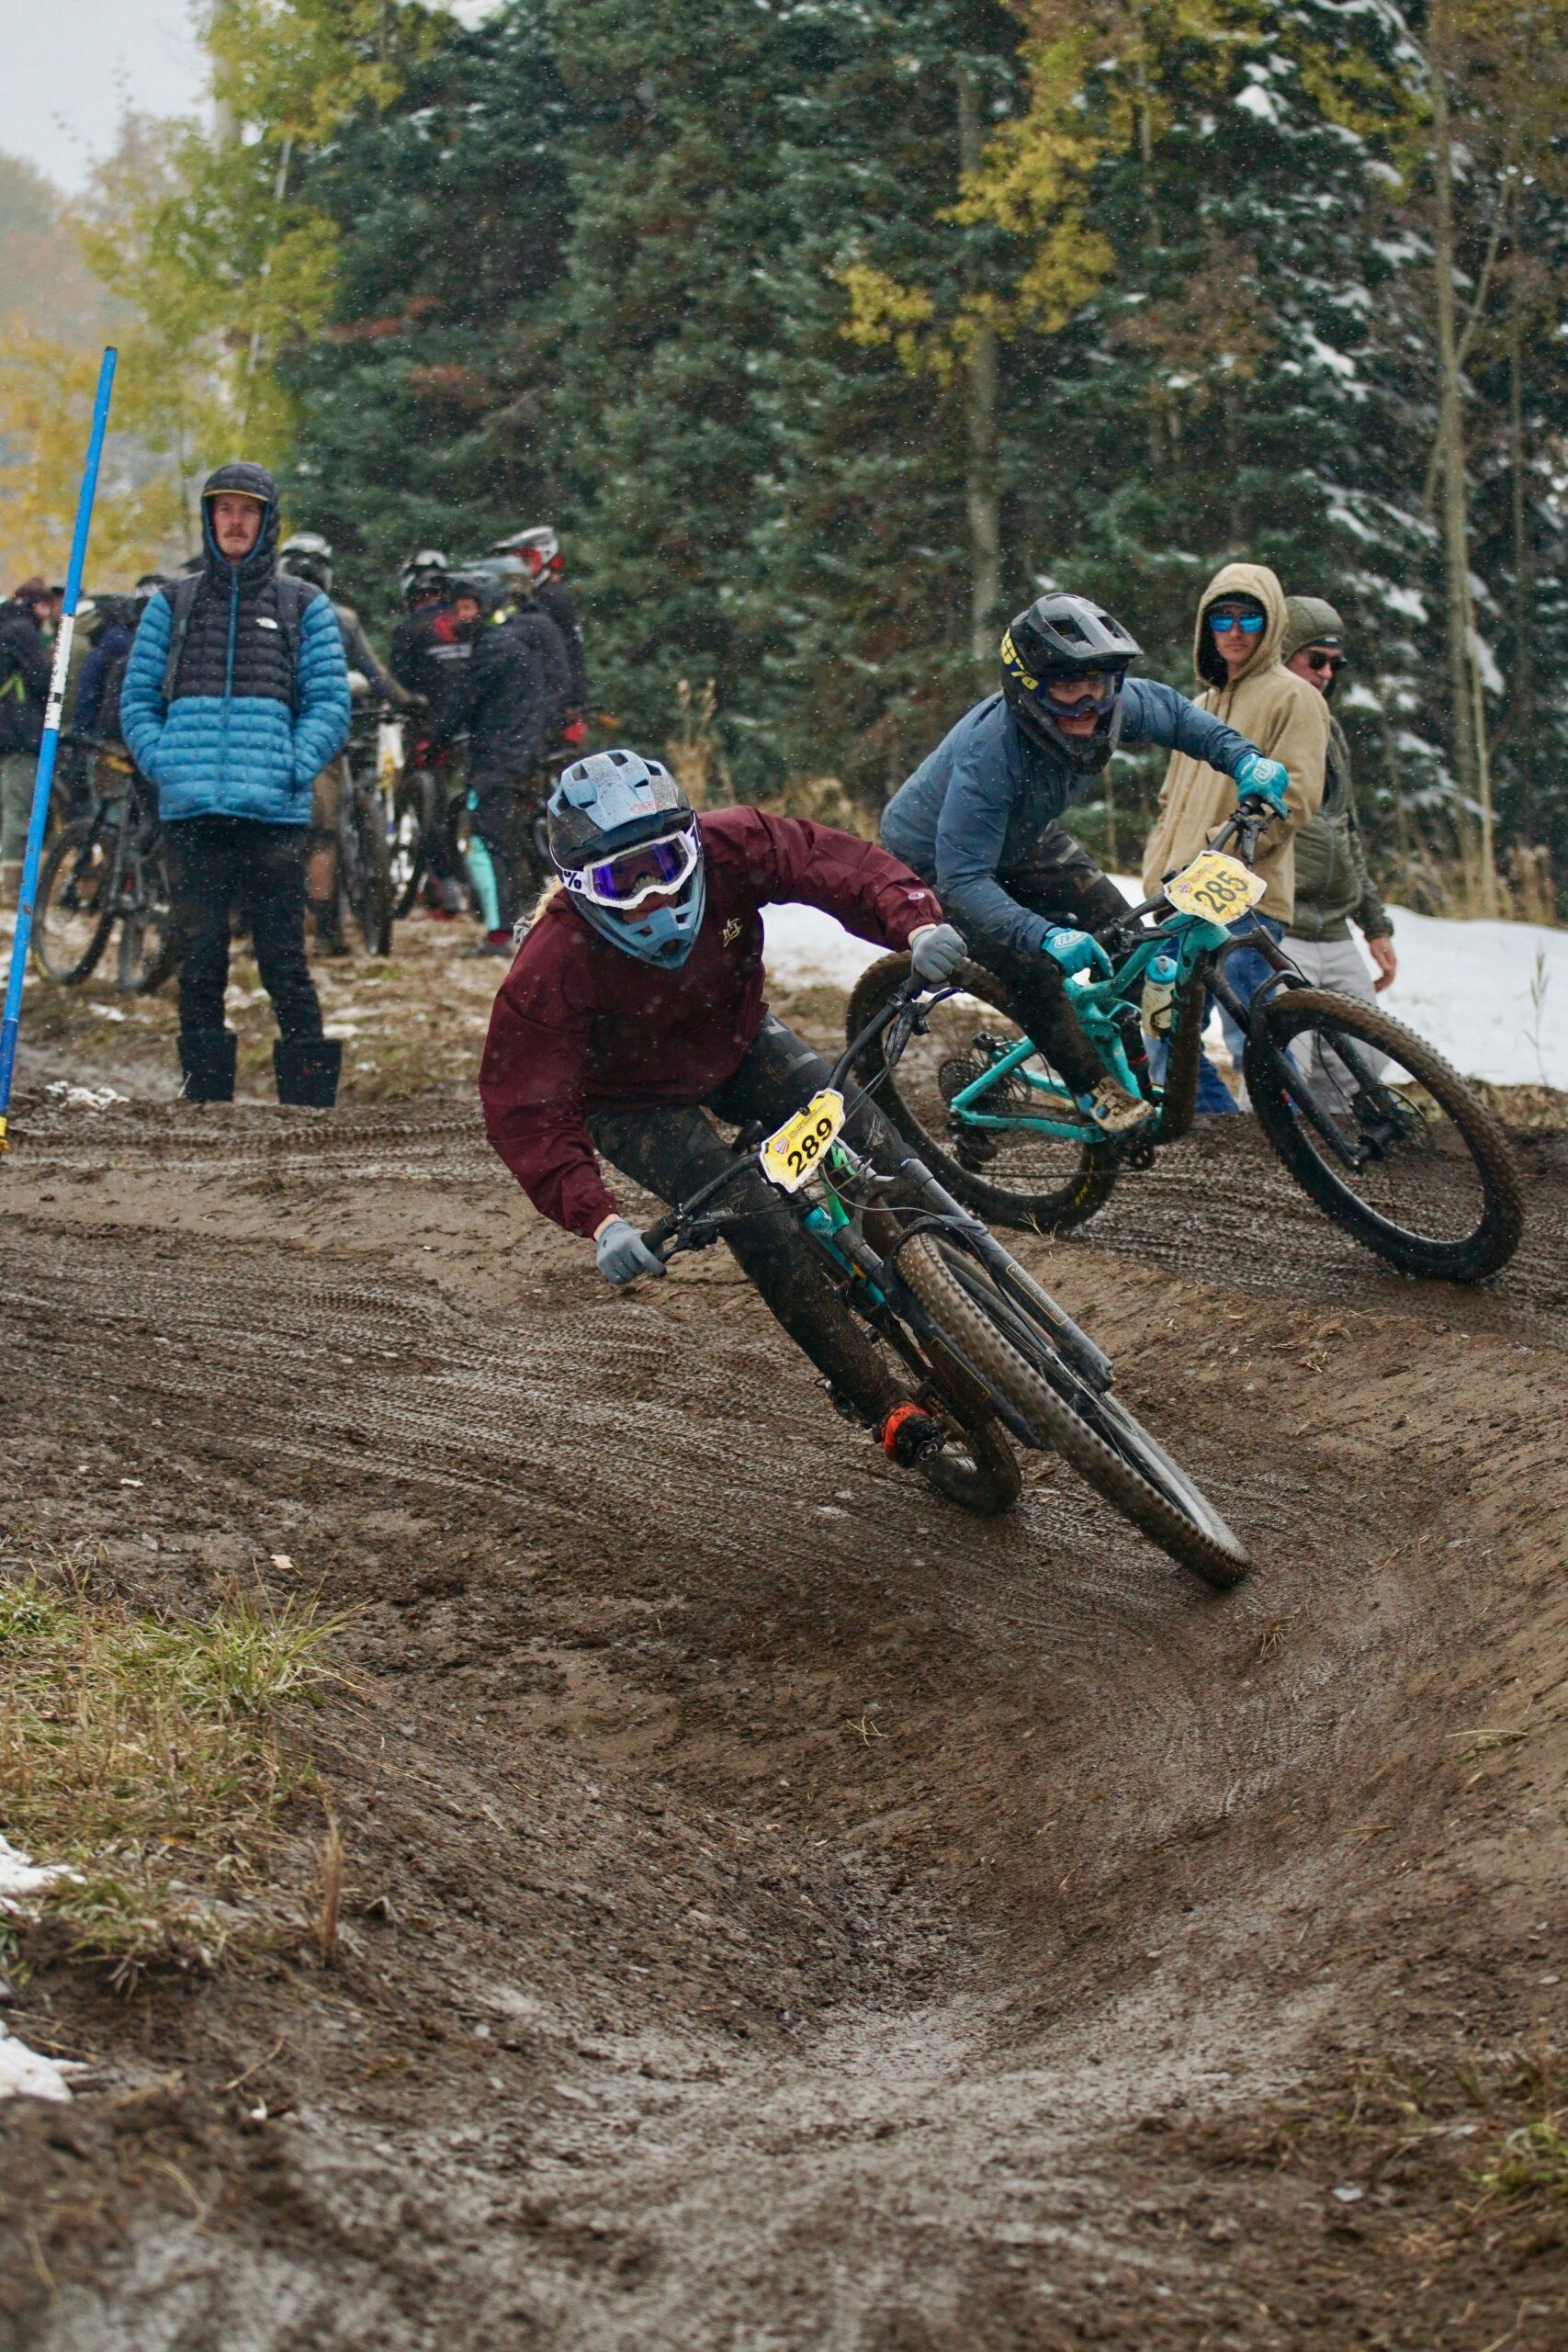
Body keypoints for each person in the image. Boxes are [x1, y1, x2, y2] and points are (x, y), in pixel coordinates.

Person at [479, 749, 967, 1458]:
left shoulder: (733, 844)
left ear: (693, 842)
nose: (653, 897)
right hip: (633, 1102)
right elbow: (525, 1107)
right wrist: (599, 1220)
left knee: (869, 1136)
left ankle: (964, 1262)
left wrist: (914, 921)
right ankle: (881, 1405)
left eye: (666, 865)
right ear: (583, 886)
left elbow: (834, 864)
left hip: (737, 1044)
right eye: (623, 881)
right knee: (757, 1220)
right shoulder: (552, 963)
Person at [881, 593, 1292, 1138]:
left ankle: (1118, 1051)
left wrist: (1244, 758)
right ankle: (1090, 1085)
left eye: (1098, 685)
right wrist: (1042, 934)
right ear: (1028, 690)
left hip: (1023, 836)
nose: (1088, 706)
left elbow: (1176, 715)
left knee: (1127, 939)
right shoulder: (990, 754)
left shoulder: (1112, 705)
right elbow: (963, 880)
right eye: (1068, 689)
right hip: (935, 860)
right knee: (1032, 969)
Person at [120, 462, 351, 1105]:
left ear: (267, 521)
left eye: (248, 510)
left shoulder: (303, 605)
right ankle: (205, 1104)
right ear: (209, 517)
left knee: (283, 961)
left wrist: (291, 765)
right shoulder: (174, 603)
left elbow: (330, 703)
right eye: (224, 509)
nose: (235, 521)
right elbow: (136, 699)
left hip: (272, 814)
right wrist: (164, 760)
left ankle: (307, 1107)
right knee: (199, 959)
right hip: (192, 813)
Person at [1141, 562, 1330, 1113]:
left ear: (1270, 625)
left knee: (1255, 1038)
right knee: (1164, 1032)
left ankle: (1286, 1157)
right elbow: (1168, 805)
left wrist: (1217, 856)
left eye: (1250, 616)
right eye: (1221, 617)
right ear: (1206, 626)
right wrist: (1161, 870)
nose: (1235, 630)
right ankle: (1221, 1149)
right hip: (1178, 900)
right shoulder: (1196, 708)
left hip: (1244, 895)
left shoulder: (1294, 697)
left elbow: (1294, 798)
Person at [278, 531, 412, 953]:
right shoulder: (342, 619)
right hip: (321, 736)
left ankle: (261, 922)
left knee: (269, 832)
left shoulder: (264, 610)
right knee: (322, 834)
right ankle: (325, 931)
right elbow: (377, 677)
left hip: (270, 735)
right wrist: (410, 702)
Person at [433, 565, 570, 956]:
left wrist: (431, 745)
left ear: (487, 606)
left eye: (467, 608)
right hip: (520, 758)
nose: (460, 617)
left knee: (485, 844)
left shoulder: (491, 650)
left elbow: (459, 705)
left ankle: (498, 934)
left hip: (495, 763)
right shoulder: (515, 647)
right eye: (456, 608)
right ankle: (519, 925)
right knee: (509, 846)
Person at [389, 550, 468, 916]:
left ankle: (446, 886)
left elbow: (398, 688)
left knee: (429, 814)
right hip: (476, 728)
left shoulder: (407, 630)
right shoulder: (468, 620)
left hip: (429, 732)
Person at [490, 525, 587, 736]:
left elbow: (572, 652)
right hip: (541, 699)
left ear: (545, 560)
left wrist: (572, 704)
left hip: (551, 703)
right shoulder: (533, 598)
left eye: (526, 562)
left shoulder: (552, 597)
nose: (519, 572)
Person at [0, 577, 55, 906]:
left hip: (4, 735)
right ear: (39, 606)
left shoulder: (5, 626)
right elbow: (44, 679)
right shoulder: (21, 631)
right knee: (18, 811)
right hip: (17, 734)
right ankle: (9, 889)